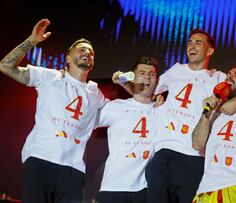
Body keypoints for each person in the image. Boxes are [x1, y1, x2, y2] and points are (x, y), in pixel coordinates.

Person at [145, 29, 236, 203]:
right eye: (190, 42)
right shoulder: (175, 70)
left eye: (198, 43)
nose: (192, 46)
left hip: (194, 156)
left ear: (210, 51)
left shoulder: (219, 77)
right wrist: (153, 96)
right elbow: (148, 92)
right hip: (164, 150)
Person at [0, 19, 107, 203]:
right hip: (41, 158)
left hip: (73, 169)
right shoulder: (49, 77)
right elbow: (5, 66)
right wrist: (32, 41)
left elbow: (123, 113)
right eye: (81, 49)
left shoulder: (96, 93)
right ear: (67, 57)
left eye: (91, 52)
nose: (87, 53)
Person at [192, 65, 236, 203]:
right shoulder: (214, 114)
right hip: (204, 190)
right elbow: (197, 144)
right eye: (229, 74)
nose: (230, 76)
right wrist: (206, 114)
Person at [96, 57, 159, 203]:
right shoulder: (115, 106)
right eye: (142, 72)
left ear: (156, 80)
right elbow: (85, 122)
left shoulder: (162, 110)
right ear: (133, 77)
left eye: (151, 74)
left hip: (144, 190)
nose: (147, 77)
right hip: (112, 187)